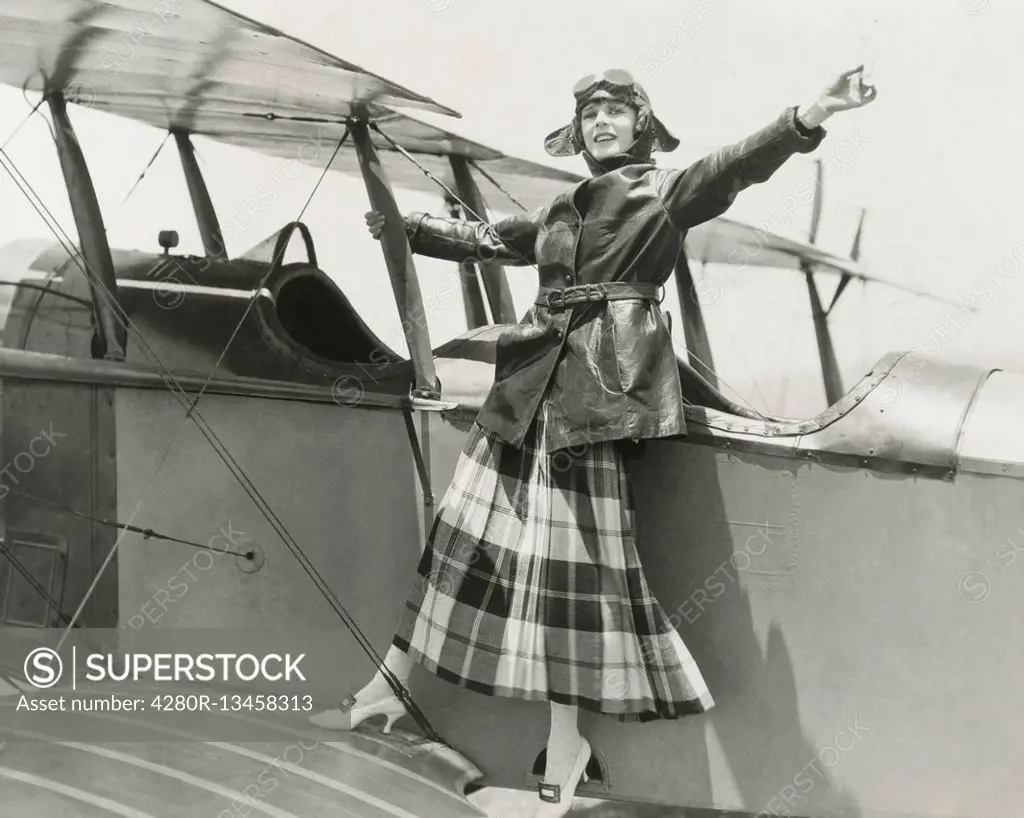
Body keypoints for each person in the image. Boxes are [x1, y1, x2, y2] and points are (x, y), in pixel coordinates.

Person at [311, 65, 876, 816]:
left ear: (643, 124)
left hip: (595, 402)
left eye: (615, 111)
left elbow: (734, 166)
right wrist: (405, 229)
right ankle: (385, 687)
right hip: (525, 392)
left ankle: (568, 743)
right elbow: (488, 237)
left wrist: (812, 112)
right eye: (590, 114)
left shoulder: (663, 192)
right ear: (576, 131)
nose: (601, 123)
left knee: (572, 578)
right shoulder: (559, 207)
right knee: (457, 542)